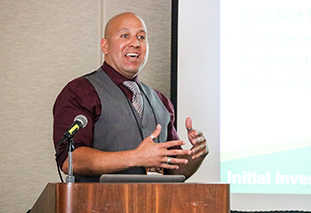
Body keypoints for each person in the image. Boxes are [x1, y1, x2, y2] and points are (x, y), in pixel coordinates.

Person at [53, 12, 208, 182]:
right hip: (99, 206)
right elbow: (70, 160)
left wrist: (197, 154)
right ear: (105, 46)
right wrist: (136, 157)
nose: (135, 43)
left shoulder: (162, 102)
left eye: (141, 37)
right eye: (125, 35)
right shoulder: (80, 91)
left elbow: (174, 171)